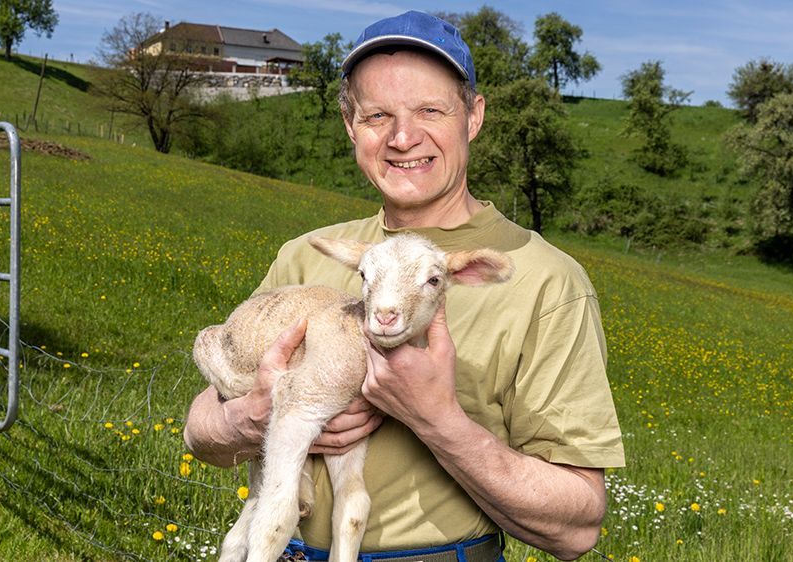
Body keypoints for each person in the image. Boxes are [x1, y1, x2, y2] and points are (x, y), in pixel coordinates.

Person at [183, 10, 624, 562]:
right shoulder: (304, 256)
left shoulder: (545, 282)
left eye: (430, 110)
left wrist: (436, 418)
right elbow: (200, 429)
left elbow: (577, 526)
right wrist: (245, 417)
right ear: (350, 126)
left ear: (473, 117)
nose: (402, 137)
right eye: (376, 116)